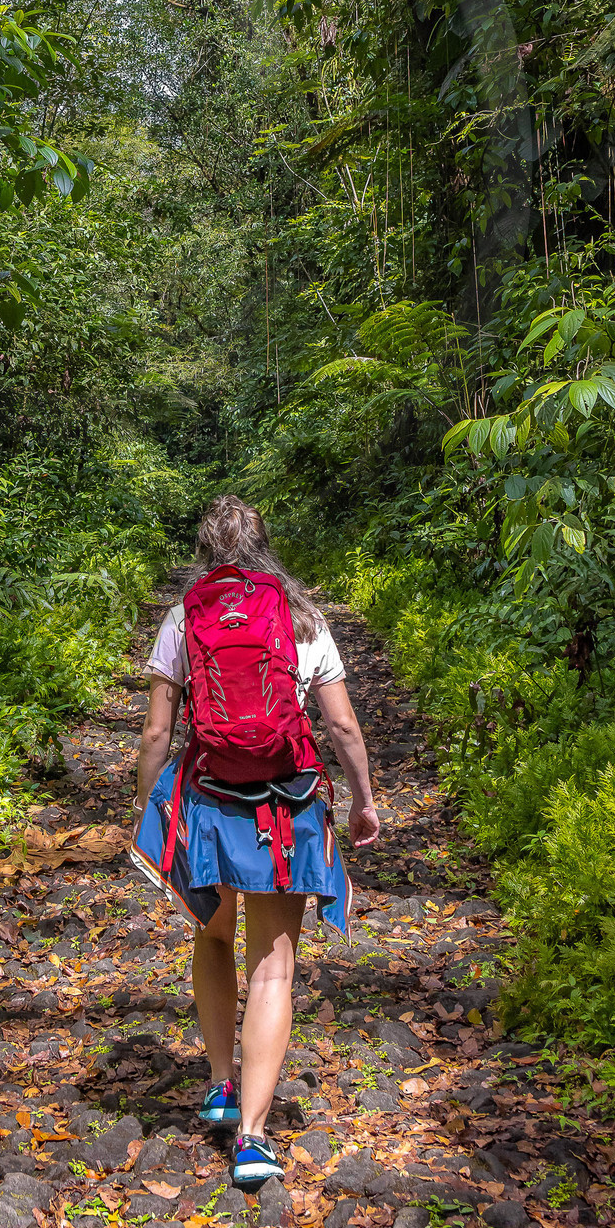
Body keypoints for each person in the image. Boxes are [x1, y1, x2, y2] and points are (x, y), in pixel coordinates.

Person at [132, 495, 380, 1191]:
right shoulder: (303, 617)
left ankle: (219, 1082)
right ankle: (252, 1136)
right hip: (286, 807)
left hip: (209, 805)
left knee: (212, 938)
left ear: (206, 549)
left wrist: (147, 809)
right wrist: (363, 801)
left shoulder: (185, 617)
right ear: (267, 546)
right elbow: (344, 728)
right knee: (273, 970)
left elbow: (157, 733)